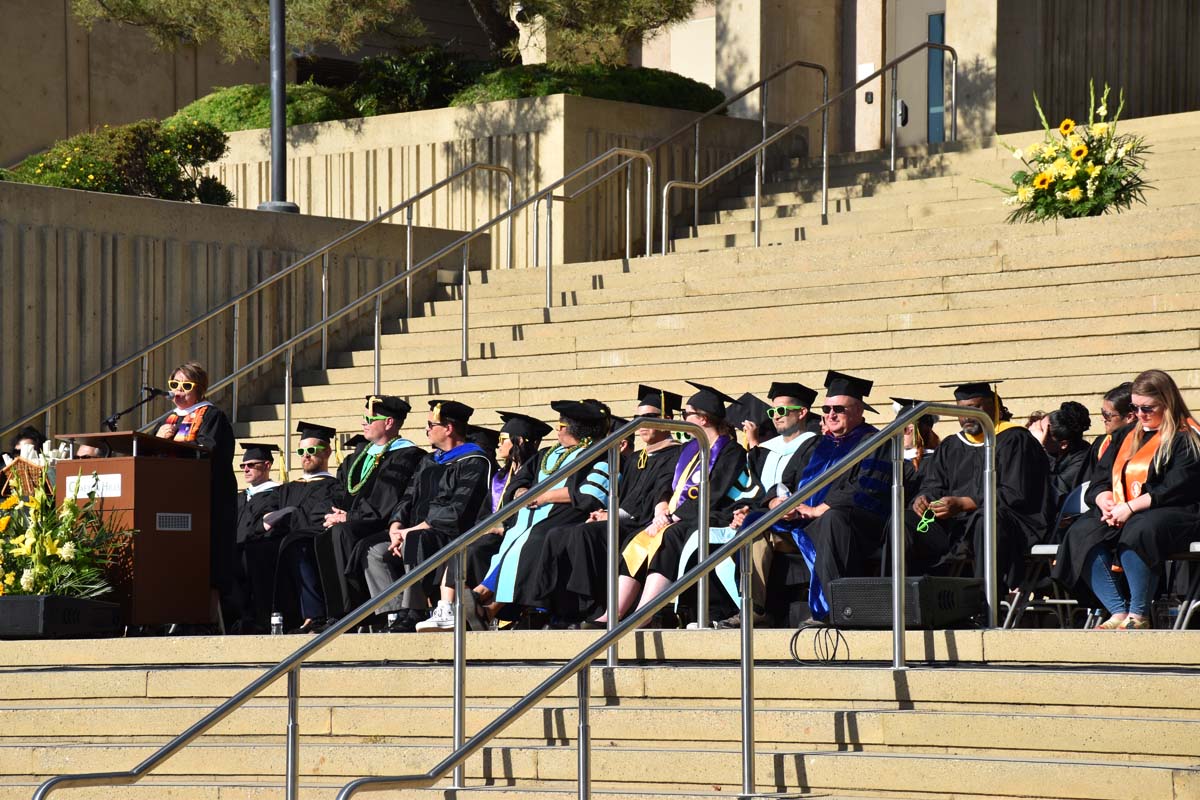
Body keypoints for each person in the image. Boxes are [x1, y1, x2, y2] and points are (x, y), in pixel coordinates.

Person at [1053, 369, 1200, 629]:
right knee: (1081, 532)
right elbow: (1099, 479)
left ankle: (1138, 614)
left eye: (1147, 408)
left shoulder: (1185, 435)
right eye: (1135, 407)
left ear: (1167, 402)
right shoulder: (1126, 435)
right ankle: (1118, 611)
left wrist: (1131, 507)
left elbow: (1177, 487)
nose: (1140, 414)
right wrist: (1104, 499)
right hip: (1125, 509)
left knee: (1140, 528)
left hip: (1177, 510)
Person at [531, 385, 684, 627]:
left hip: (644, 524)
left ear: (668, 418)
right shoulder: (636, 459)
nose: (641, 423)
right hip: (623, 519)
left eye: (649, 417)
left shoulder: (678, 455)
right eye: (637, 418)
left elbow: (656, 498)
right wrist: (605, 513)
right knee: (557, 534)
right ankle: (552, 609)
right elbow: (625, 498)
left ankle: (591, 608)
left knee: (585, 534)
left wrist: (613, 516)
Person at [619, 381, 757, 626]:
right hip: (681, 515)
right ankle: (617, 611)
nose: (682, 419)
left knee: (671, 534)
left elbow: (713, 493)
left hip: (713, 514)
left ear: (703, 419)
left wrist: (672, 517)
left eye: (686, 414)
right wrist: (662, 507)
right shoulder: (688, 450)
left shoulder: (731, 451)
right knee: (638, 537)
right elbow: (667, 485)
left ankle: (645, 612)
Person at [472, 399, 613, 626]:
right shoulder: (547, 454)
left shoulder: (599, 455)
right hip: (527, 522)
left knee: (535, 539)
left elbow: (591, 495)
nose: (558, 430)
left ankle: (483, 598)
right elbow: (520, 481)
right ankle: (483, 604)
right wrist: (521, 491)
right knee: (517, 538)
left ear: (574, 429)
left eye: (561, 426)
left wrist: (544, 496)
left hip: (567, 519)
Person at [363, 400, 494, 632]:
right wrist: (396, 526)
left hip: (448, 535)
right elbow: (408, 497)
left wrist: (410, 531)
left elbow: (458, 510)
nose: (426, 429)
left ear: (448, 428)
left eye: (431, 425)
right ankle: (393, 613)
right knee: (373, 551)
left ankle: (415, 610)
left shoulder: (475, 461)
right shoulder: (429, 460)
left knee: (414, 541)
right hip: (412, 532)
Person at [910, 380, 1050, 588]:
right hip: (957, 524)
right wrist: (925, 499)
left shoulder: (1015, 439)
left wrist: (965, 503)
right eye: (960, 410)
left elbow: (1016, 493)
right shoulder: (951, 445)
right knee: (906, 522)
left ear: (994, 406)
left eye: (974, 408)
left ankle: (985, 601)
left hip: (1009, 522)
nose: (966, 416)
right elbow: (934, 484)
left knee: (986, 519)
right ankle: (901, 600)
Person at [313, 395, 425, 621]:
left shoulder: (407, 455)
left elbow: (386, 500)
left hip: (381, 524)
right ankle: (330, 613)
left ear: (389, 422)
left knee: (342, 533)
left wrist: (349, 517)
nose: (363, 422)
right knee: (311, 537)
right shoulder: (359, 456)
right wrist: (334, 514)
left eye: (370, 419)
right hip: (355, 520)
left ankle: (353, 613)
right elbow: (339, 490)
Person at [154, 361, 238, 625]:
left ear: (200, 389)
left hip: (206, 500)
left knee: (208, 559)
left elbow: (209, 451)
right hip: (172, 498)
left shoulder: (212, 416)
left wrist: (171, 442)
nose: (178, 391)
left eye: (186, 386)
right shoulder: (167, 420)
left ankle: (207, 618)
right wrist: (157, 439)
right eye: (174, 384)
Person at [737, 381, 820, 627]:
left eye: (781, 410)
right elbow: (755, 489)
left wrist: (769, 507)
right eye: (772, 411)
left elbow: (803, 488)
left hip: (797, 523)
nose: (775, 416)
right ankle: (746, 608)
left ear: (802, 413)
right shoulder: (765, 450)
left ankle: (754, 609)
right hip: (768, 518)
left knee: (754, 529)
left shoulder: (815, 446)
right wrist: (746, 509)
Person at [248, 422, 339, 633]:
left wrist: (286, 516)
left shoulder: (334, 486)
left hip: (312, 539)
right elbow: (265, 517)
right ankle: (263, 619)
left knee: (298, 546)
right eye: (301, 451)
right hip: (283, 539)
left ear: (327, 452)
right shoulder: (286, 489)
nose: (305, 456)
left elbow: (318, 517)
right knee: (253, 549)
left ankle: (314, 617)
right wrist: (278, 516)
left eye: (312, 450)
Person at [231, 442, 281, 633]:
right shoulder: (240, 497)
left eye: (251, 465)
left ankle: (257, 621)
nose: (245, 469)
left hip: (260, 550)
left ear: (267, 465)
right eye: (243, 465)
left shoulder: (277, 494)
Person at [1042, 401, 1093, 514]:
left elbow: (1054, 489)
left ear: (1063, 444)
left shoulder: (1082, 459)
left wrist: (1037, 445)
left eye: (1043, 432)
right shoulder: (1052, 451)